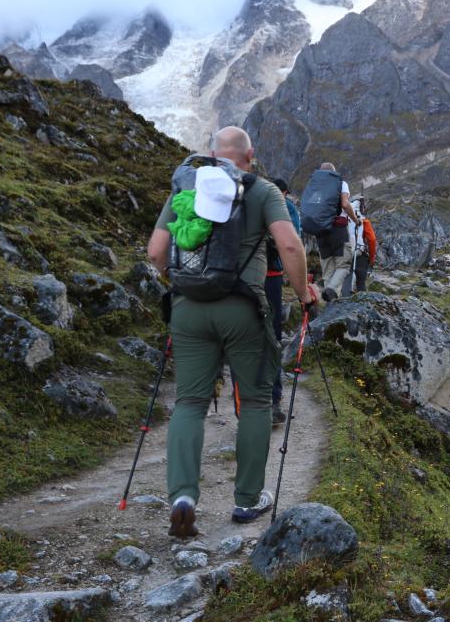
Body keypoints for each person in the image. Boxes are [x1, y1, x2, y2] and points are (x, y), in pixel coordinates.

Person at [146, 126, 320, 536]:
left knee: (189, 403)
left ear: (210, 154)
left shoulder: (184, 185)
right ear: (250, 155)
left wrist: (186, 284)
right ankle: (247, 501)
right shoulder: (261, 190)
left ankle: (183, 497)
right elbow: (290, 245)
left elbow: (155, 252)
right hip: (243, 309)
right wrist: (304, 293)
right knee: (257, 402)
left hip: (188, 310)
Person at [264, 177, 302, 424]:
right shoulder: (286, 207)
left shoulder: (246, 198)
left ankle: (247, 402)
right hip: (271, 277)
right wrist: (302, 290)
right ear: (286, 191)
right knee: (272, 337)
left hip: (239, 279)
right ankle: (273, 400)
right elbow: (293, 243)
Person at [311, 161, 358, 302]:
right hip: (337, 230)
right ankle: (331, 291)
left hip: (320, 232)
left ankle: (329, 304)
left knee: (328, 269)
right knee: (343, 265)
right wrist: (355, 220)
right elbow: (344, 204)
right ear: (334, 172)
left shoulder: (315, 186)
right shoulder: (340, 183)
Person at [341, 196, 377, 296]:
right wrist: (372, 257)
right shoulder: (364, 221)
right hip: (360, 253)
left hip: (344, 252)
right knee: (361, 283)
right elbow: (372, 240)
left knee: (345, 279)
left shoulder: (344, 217)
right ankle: (361, 305)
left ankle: (343, 301)